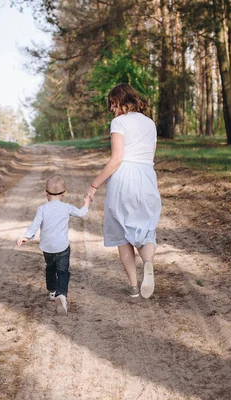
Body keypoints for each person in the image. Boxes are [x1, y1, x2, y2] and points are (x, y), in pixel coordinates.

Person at [85, 83, 161, 299]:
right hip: (147, 177)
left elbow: (117, 159)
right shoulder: (150, 123)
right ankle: (147, 263)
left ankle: (134, 287)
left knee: (122, 233)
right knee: (145, 229)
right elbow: (150, 155)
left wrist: (94, 186)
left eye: (113, 104)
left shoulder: (119, 122)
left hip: (124, 178)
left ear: (121, 101)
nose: (112, 109)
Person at [17, 175, 91, 315]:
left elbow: (34, 225)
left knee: (50, 268)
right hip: (62, 247)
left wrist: (26, 237)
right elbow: (81, 213)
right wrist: (86, 203)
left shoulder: (42, 209)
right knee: (63, 271)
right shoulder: (66, 207)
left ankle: (52, 291)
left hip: (47, 248)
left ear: (46, 193)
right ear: (64, 194)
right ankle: (61, 294)